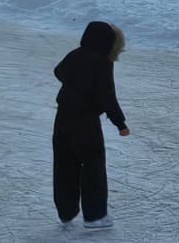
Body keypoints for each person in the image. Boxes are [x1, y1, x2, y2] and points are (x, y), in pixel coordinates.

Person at [52, 22, 130, 230]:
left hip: (62, 118)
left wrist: (75, 84)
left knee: (64, 165)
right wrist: (120, 123)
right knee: (92, 166)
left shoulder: (76, 54)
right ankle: (94, 217)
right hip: (85, 122)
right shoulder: (102, 62)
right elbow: (107, 96)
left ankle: (66, 212)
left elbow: (58, 71)